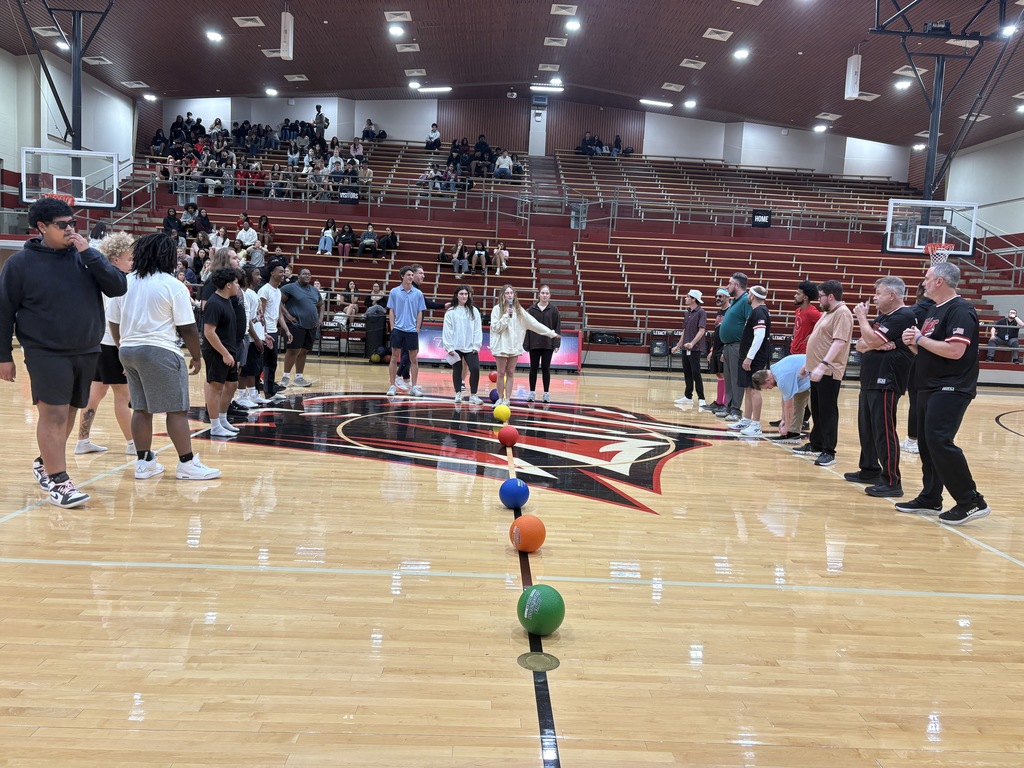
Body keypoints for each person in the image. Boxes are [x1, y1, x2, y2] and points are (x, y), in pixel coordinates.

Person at [0, 198, 128, 508]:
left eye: (73, 223)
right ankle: (59, 482)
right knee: (54, 413)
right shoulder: (19, 265)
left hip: (86, 350)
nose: (70, 230)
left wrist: (89, 253)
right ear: (42, 227)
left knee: (70, 413)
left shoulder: (86, 257)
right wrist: (4, 355)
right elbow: (4, 312)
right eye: (62, 225)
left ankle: (45, 464)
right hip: (45, 351)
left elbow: (118, 287)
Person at [111, 233, 220, 481]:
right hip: (159, 350)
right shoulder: (172, 285)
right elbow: (188, 327)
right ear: (167, 256)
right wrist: (196, 356)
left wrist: (122, 349)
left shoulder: (124, 282)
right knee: (177, 410)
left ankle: (144, 462)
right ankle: (187, 463)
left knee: (140, 408)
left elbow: (114, 323)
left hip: (128, 350)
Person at [896, 262, 990, 525]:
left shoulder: (961, 310)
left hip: (952, 386)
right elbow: (928, 349)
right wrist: (913, 344)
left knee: (939, 440)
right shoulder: (934, 311)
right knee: (927, 443)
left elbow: (955, 351)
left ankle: (971, 501)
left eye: (927, 278)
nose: (923, 283)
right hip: (929, 385)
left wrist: (920, 340)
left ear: (940, 281)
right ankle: (931, 496)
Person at [844, 277, 916, 498]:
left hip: (887, 381)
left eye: (879, 293)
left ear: (892, 295)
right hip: (870, 380)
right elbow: (861, 344)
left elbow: (871, 341)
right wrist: (873, 341)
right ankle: (869, 469)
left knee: (884, 432)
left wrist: (862, 319)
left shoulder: (903, 315)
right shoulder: (885, 317)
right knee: (867, 429)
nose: (874, 297)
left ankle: (892, 481)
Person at [74, 232, 136, 457]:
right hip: (112, 344)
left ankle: (82, 440)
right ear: (114, 259)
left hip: (98, 343)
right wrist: (123, 348)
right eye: (129, 258)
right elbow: (114, 318)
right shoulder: (116, 280)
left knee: (96, 393)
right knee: (123, 395)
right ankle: (132, 444)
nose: (132, 263)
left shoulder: (99, 277)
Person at [793, 280, 854, 468]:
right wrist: (808, 364)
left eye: (820, 296)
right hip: (817, 369)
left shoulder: (843, 313)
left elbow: (839, 342)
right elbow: (818, 340)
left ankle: (829, 451)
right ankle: (817, 444)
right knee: (817, 410)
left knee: (828, 412)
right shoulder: (828, 313)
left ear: (830, 296)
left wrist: (823, 365)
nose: (818, 300)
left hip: (829, 371)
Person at [489, 284, 558, 406]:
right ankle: (500, 398)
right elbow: (495, 328)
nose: (510, 295)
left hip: (514, 346)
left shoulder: (519, 310)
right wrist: (506, 316)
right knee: (500, 373)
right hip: (501, 345)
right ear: (503, 295)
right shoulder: (496, 309)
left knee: (510, 372)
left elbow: (534, 324)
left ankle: (507, 400)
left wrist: (550, 333)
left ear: (514, 295)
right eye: (507, 293)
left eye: (511, 293)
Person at [201, 268, 242, 438]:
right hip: (216, 351)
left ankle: (223, 419)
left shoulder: (227, 300)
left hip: (228, 350)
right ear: (228, 285)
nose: (238, 285)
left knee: (232, 385)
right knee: (216, 387)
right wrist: (225, 353)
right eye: (236, 283)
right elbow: (209, 332)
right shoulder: (215, 303)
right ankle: (215, 424)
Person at [395, 264, 448, 390]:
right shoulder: (410, 290)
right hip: (408, 327)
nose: (423, 276)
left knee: (407, 352)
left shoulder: (416, 290)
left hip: (412, 327)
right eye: (420, 273)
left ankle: (406, 378)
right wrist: (443, 306)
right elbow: (427, 304)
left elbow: (425, 303)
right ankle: (398, 376)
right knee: (410, 353)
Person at [728, 285, 771, 436]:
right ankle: (746, 420)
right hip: (748, 357)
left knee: (754, 390)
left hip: (754, 359)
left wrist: (749, 357)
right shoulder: (756, 311)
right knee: (748, 388)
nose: (747, 296)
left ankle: (756, 424)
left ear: (752, 296)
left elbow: (759, 336)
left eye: (748, 294)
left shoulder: (760, 311)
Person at [901, 281, 934, 455]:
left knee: (916, 400)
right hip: (936, 359)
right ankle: (923, 439)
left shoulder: (914, 310)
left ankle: (914, 440)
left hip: (916, 358)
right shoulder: (941, 309)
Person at [386, 266, 427, 397]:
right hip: (398, 329)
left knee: (413, 359)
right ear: (402, 276)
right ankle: (392, 385)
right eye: (408, 275)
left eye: (411, 275)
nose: (411, 277)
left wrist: (417, 327)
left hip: (411, 330)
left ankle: (414, 387)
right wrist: (392, 326)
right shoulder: (394, 292)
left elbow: (420, 311)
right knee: (394, 357)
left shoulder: (418, 293)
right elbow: (391, 310)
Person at [280, 267, 325, 387]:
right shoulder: (290, 287)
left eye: (309, 274)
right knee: (293, 350)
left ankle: (298, 378)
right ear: (298, 276)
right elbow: (279, 301)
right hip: (295, 324)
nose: (307, 276)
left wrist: (320, 318)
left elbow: (321, 305)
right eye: (304, 274)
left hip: (311, 326)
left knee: (304, 351)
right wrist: (287, 315)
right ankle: (285, 377)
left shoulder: (314, 290)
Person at [715, 272, 751, 420]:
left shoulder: (745, 301)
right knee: (729, 378)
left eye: (729, 283)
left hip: (738, 346)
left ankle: (736, 410)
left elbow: (750, 324)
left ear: (736, 285)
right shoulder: (736, 301)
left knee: (736, 379)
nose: (727, 286)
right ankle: (729, 407)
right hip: (728, 346)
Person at [751, 354, 810, 445]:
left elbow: (788, 406)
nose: (769, 389)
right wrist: (784, 419)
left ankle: (821, 442)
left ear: (768, 380)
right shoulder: (775, 369)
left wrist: (786, 427)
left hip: (818, 374)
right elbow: (785, 397)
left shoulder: (782, 378)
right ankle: (793, 433)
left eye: (767, 387)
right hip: (805, 377)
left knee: (817, 409)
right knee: (798, 403)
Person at [442, 286, 484, 404]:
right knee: (457, 370)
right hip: (455, 346)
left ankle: (474, 395)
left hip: (470, 347)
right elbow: (447, 330)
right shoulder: (451, 312)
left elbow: (477, 329)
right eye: (461, 294)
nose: (464, 296)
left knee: (475, 368)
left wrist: (476, 345)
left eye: (466, 294)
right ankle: (458, 393)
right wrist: (449, 347)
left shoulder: (474, 311)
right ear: (456, 295)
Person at [258, 262, 293, 400]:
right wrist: (264, 332)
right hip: (264, 332)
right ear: (272, 273)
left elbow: (278, 314)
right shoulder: (264, 290)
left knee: (272, 362)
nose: (283, 274)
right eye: (280, 271)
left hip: (274, 330)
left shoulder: (278, 291)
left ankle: (270, 390)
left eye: (284, 271)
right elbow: (261, 313)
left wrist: (286, 330)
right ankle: (259, 391)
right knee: (262, 363)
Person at [525, 285, 561, 403]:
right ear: (538, 294)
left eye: (547, 293)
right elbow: (527, 327)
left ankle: (546, 393)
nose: (545, 295)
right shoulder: (531, 309)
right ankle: (532, 392)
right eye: (543, 293)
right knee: (533, 368)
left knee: (546, 368)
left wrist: (556, 344)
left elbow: (557, 327)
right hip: (534, 343)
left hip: (547, 344)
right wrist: (526, 343)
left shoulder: (554, 310)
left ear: (550, 295)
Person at [672, 289, 707, 407]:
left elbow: (701, 331)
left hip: (695, 348)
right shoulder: (687, 313)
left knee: (696, 372)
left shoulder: (701, 312)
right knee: (687, 372)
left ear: (693, 299)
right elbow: (685, 330)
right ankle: (688, 396)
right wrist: (678, 345)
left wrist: (692, 343)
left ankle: (701, 398)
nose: (685, 298)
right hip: (685, 348)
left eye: (687, 297)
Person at [704, 288, 731, 412]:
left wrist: (725, 350)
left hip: (726, 346)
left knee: (726, 374)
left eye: (720, 296)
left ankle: (725, 404)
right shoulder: (719, 313)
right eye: (716, 296)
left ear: (727, 297)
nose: (717, 299)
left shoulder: (731, 312)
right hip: (717, 346)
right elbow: (716, 332)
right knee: (719, 374)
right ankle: (719, 401)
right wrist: (712, 349)